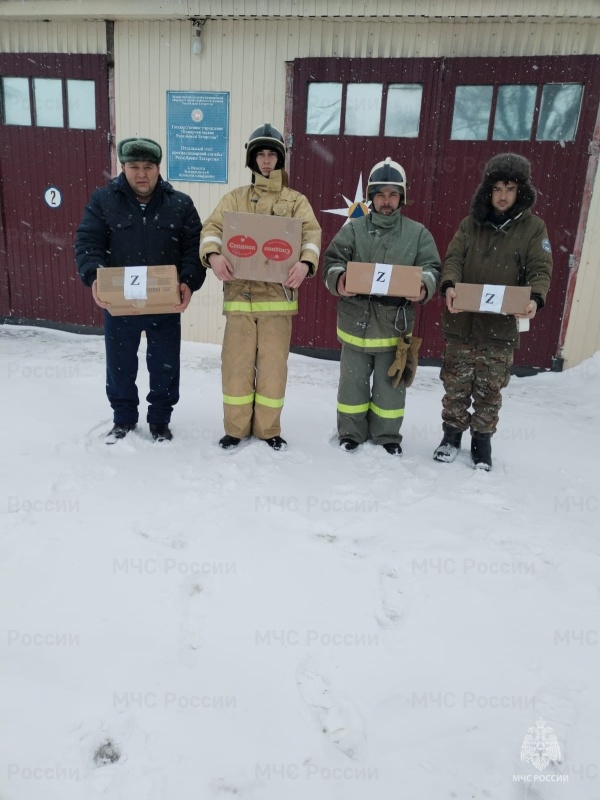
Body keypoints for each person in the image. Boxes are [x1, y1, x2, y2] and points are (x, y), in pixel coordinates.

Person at [75, 137, 205, 443]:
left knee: (165, 364)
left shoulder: (180, 204)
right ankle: (124, 419)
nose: (142, 173)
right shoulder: (104, 201)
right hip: (121, 303)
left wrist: (189, 280)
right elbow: (88, 242)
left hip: (164, 303)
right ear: (123, 167)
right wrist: (93, 275)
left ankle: (160, 420)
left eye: (148, 167)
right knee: (120, 364)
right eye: (134, 166)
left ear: (159, 169)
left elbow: (193, 248)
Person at [200, 122, 321, 451]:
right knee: (235, 366)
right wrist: (212, 255)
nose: (266, 161)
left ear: (280, 159)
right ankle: (235, 429)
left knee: (272, 369)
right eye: (261, 155)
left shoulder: (295, 201)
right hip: (240, 298)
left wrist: (305, 263)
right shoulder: (234, 199)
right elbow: (211, 229)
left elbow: (311, 234)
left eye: (272, 155)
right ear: (252, 160)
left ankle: (269, 430)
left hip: (277, 304)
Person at [433, 152, 553, 470]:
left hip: (500, 329)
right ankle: (451, 435)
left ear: (520, 192)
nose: (502, 195)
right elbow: (454, 258)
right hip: (463, 323)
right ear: (488, 190)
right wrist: (450, 285)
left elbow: (540, 269)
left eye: (510, 188)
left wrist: (535, 299)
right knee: (456, 384)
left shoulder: (533, 229)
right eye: (497, 187)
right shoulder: (470, 224)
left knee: (490, 387)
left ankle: (482, 442)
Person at [323, 157, 441, 455]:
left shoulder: (417, 234)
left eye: (392, 194)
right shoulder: (354, 230)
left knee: (391, 388)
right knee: (352, 385)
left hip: (394, 326)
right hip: (355, 324)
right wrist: (340, 280)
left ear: (401, 197)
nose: (386, 201)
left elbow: (432, 267)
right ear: (371, 197)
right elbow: (332, 261)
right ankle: (350, 432)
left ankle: (387, 435)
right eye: (380, 194)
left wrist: (424, 284)